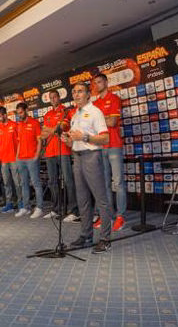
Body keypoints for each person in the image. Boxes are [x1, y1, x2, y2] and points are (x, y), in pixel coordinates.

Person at [63, 82, 113, 254]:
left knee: (101, 199)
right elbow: (74, 141)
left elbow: (105, 139)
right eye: (74, 92)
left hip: (92, 157)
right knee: (83, 200)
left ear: (88, 95)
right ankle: (86, 235)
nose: (76, 95)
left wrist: (84, 137)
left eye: (80, 91)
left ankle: (105, 239)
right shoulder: (75, 114)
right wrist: (68, 140)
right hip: (77, 157)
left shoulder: (95, 112)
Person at [93, 72, 127, 232]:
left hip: (114, 145)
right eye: (95, 83)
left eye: (100, 82)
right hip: (101, 147)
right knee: (104, 184)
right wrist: (102, 120)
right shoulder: (94, 104)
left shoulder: (114, 98)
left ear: (106, 83)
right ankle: (107, 215)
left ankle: (120, 217)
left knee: (118, 183)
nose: (97, 85)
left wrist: (99, 121)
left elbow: (113, 122)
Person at [40, 90, 77, 221]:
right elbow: (43, 134)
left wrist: (51, 130)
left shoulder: (65, 111)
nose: (53, 99)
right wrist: (53, 130)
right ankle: (56, 209)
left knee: (68, 181)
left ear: (59, 97)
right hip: (49, 151)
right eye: (51, 98)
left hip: (63, 150)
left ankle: (73, 210)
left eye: (55, 97)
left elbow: (61, 128)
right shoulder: (47, 114)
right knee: (52, 182)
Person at [13, 102, 44, 218]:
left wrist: (37, 155)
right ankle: (26, 207)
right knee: (24, 183)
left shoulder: (35, 123)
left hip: (31, 158)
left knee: (36, 183)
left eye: (21, 112)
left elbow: (40, 140)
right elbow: (19, 142)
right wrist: (17, 157)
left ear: (26, 110)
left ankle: (39, 208)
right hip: (21, 159)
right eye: (18, 113)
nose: (19, 115)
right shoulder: (19, 125)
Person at [0, 107, 19, 214]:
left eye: (0, 117)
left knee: (17, 183)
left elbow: (19, 141)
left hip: (14, 159)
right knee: (6, 183)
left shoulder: (14, 125)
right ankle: (9, 204)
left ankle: (21, 204)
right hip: (4, 160)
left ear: (5, 115)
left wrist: (18, 156)